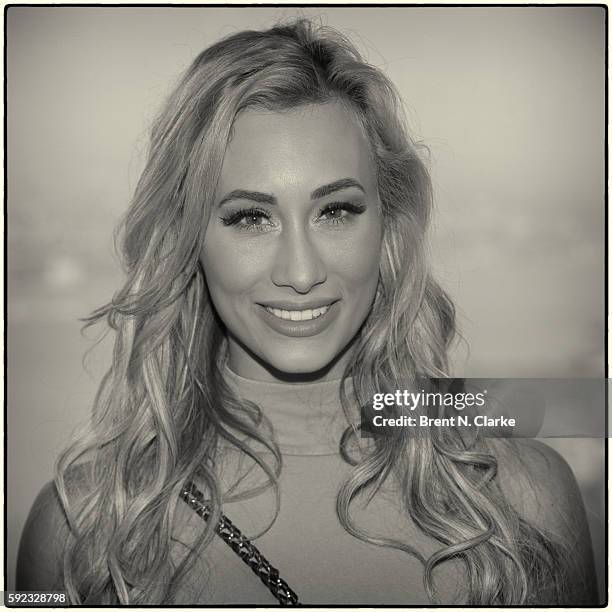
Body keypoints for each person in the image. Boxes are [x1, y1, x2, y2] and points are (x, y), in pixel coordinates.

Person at [16, 18, 598, 605]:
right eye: (250, 217)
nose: (301, 273)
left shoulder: (527, 499)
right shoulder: (79, 529)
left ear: (387, 229)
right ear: (188, 239)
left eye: (337, 211)